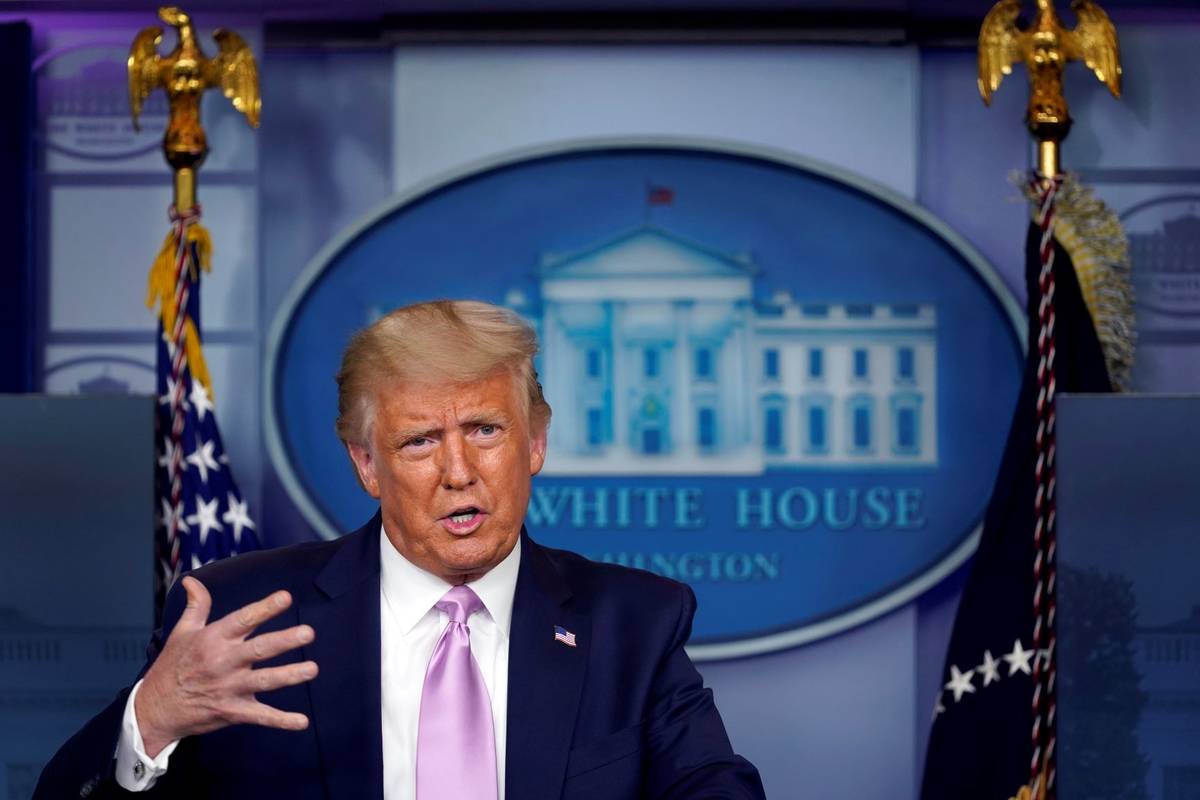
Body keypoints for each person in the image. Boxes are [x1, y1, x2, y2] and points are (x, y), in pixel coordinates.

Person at [34, 300, 765, 800]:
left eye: (486, 430)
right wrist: (152, 718)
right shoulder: (243, 618)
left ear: (535, 441)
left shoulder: (632, 623)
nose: (458, 471)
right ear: (366, 465)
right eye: (419, 441)